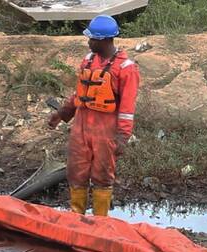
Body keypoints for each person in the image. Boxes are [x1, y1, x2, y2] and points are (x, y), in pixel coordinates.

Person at [48, 15, 140, 216]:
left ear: (105, 40)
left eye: (92, 39)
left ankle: (100, 223)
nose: (88, 42)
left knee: (102, 175)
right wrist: (61, 114)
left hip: (106, 130)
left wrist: (123, 138)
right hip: (81, 126)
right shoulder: (88, 61)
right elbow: (79, 94)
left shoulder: (126, 69)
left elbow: (127, 108)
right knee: (76, 172)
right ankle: (76, 218)